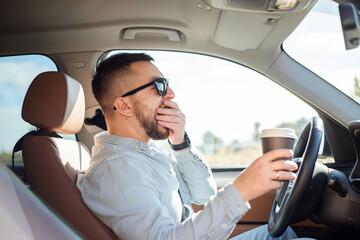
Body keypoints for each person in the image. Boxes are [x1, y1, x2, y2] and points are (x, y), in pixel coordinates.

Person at [76, 53, 299, 240]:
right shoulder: (119, 167)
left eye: (167, 85)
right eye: (159, 87)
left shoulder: (145, 153)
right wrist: (242, 190)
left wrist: (180, 142)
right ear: (124, 105)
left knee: (284, 234)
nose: (171, 94)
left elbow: (203, 195)